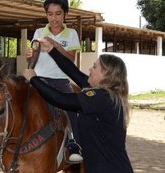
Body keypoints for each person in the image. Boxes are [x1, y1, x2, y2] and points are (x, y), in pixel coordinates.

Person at [23, 38, 134, 173]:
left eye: (94, 66)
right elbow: (73, 72)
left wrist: (33, 79)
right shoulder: (105, 95)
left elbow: (60, 99)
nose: (90, 69)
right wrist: (51, 50)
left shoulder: (102, 98)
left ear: (105, 74)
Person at [26, 0, 82, 162]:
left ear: (65, 14)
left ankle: (74, 143)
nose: (54, 18)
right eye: (50, 14)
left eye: (58, 14)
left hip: (60, 80)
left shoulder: (71, 34)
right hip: (39, 79)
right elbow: (33, 57)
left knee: (71, 109)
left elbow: (71, 59)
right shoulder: (39, 32)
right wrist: (29, 54)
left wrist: (56, 45)